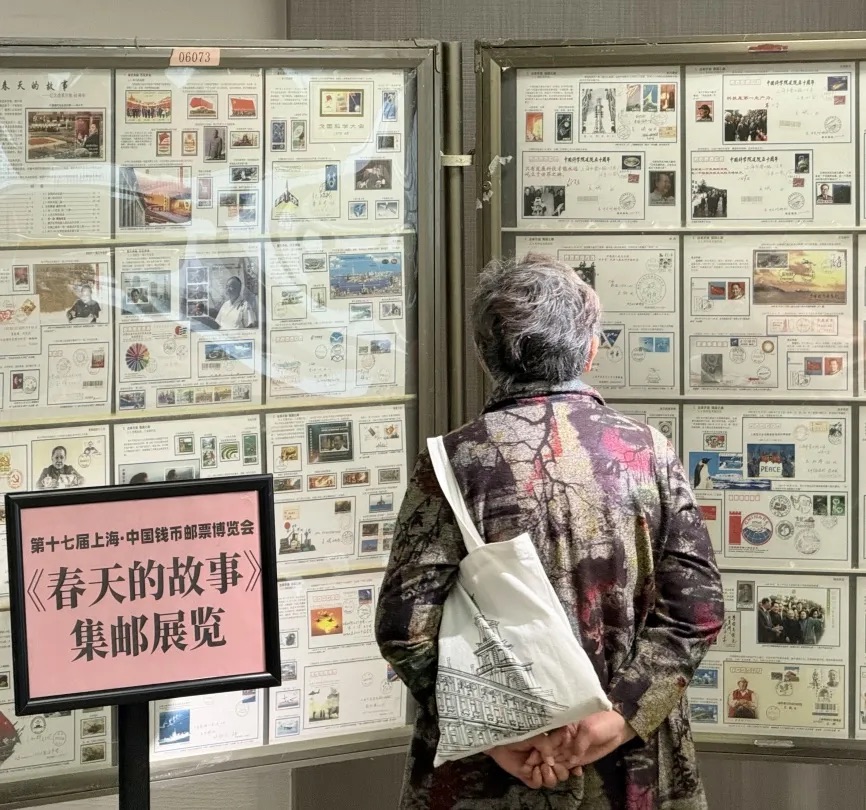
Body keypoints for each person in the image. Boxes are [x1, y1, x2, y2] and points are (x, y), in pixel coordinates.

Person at [375, 254, 724, 809]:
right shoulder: (646, 453)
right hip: (629, 767)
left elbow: (404, 628)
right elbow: (697, 610)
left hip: (487, 777)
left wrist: (503, 735)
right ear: (589, 349)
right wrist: (619, 717)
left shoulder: (453, 462)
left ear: (485, 354)